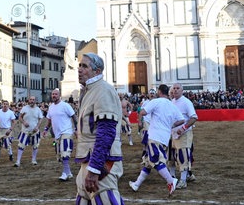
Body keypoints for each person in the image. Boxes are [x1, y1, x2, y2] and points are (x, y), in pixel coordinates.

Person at [75, 53, 124, 205]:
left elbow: (106, 132)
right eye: (79, 66)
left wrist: (95, 169)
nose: (79, 69)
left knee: (105, 199)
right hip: (89, 159)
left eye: (85, 66)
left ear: (97, 71)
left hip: (101, 162)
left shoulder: (103, 90)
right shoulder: (89, 91)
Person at [128, 84, 184, 195]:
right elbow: (181, 120)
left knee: (155, 160)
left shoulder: (156, 101)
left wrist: (139, 122)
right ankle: (136, 184)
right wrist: (170, 126)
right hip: (165, 138)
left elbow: (142, 112)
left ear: (159, 92)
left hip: (155, 136)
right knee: (148, 162)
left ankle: (170, 180)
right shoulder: (172, 105)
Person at [44, 89, 77, 181]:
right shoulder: (51, 107)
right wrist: (45, 129)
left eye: (56, 94)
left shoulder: (65, 105)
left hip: (66, 132)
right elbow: (49, 120)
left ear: (59, 95)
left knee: (65, 153)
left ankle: (64, 173)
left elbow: (74, 117)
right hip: (57, 134)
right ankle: (69, 172)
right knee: (59, 155)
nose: (54, 95)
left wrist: (77, 129)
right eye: (53, 94)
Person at [169, 83, 198, 189]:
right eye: (174, 88)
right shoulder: (173, 101)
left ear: (182, 91)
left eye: (178, 89)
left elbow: (194, 117)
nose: (175, 90)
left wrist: (184, 128)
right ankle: (179, 176)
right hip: (174, 133)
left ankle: (183, 180)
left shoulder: (186, 102)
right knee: (173, 156)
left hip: (184, 134)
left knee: (183, 156)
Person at [14, 95, 43, 167]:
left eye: (33, 99)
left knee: (35, 146)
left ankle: (34, 160)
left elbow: (40, 119)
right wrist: (24, 122)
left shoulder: (38, 109)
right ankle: (18, 161)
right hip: (25, 131)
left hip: (34, 131)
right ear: (28, 100)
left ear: (35, 101)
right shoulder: (24, 108)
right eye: (31, 99)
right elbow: (20, 117)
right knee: (21, 145)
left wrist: (37, 127)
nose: (32, 101)